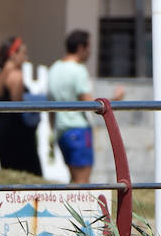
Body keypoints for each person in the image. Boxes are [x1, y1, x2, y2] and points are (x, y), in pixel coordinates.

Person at [46, 29, 123, 184]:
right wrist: (115, 99)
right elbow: (89, 103)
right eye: (89, 47)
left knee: (74, 180)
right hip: (79, 132)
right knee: (82, 182)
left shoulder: (54, 68)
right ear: (80, 48)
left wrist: (52, 132)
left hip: (62, 132)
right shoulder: (78, 70)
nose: (90, 52)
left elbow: (50, 106)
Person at [0, 37, 43, 176]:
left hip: (1, 132)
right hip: (18, 136)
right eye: (23, 53)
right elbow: (18, 108)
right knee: (31, 179)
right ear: (12, 54)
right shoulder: (16, 76)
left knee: (9, 179)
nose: (26, 58)